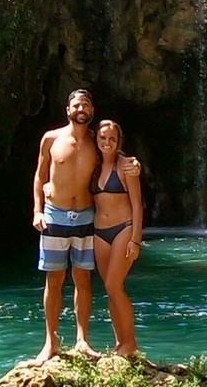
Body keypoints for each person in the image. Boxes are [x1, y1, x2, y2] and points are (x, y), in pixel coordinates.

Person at [32, 88, 101, 358]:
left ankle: (82, 340)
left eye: (86, 105)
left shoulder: (98, 141)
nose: (81, 109)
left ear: (92, 111)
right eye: (76, 105)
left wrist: (134, 166)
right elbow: (39, 176)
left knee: (83, 278)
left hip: (86, 215)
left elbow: (116, 164)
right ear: (68, 110)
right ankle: (51, 342)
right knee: (54, 278)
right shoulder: (51, 138)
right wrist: (37, 211)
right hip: (55, 214)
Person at [90, 118, 146, 356]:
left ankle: (131, 343)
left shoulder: (126, 166)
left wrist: (135, 239)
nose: (107, 142)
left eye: (112, 138)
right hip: (99, 233)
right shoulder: (92, 165)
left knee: (114, 285)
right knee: (110, 288)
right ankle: (119, 342)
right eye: (103, 137)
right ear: (97, 139)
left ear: (118, 141)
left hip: (123, 229)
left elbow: (137, 205)